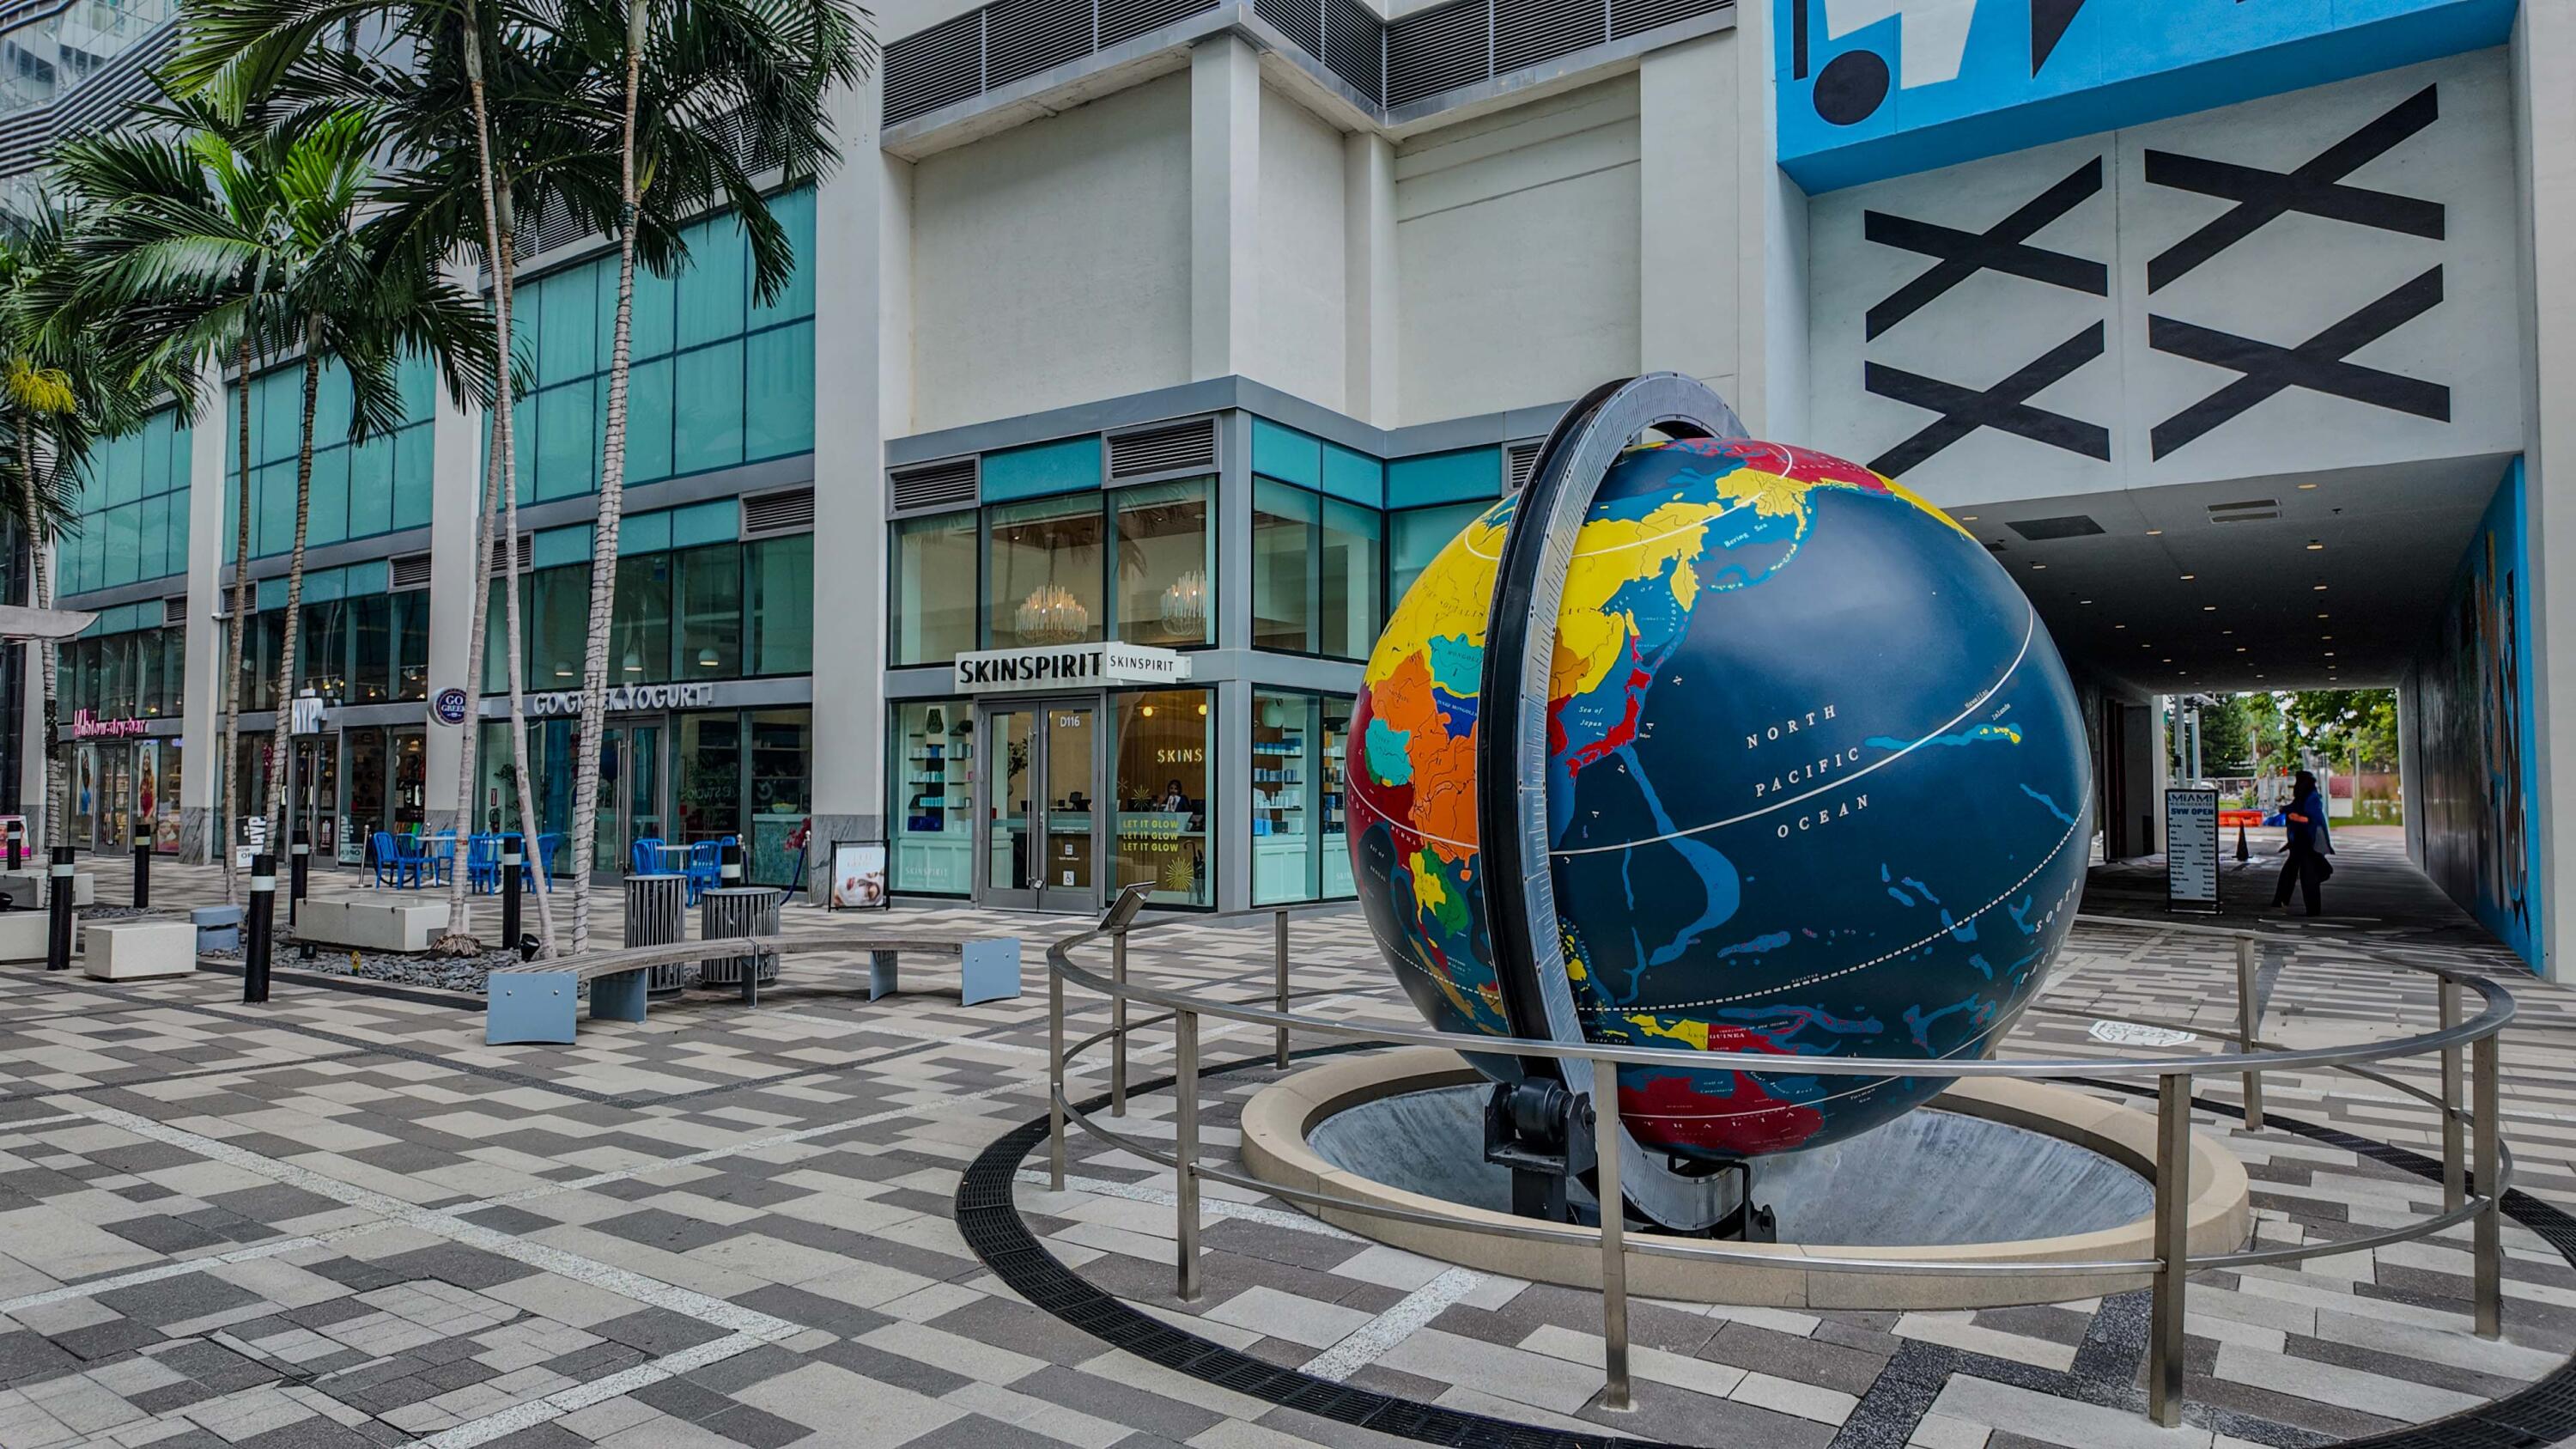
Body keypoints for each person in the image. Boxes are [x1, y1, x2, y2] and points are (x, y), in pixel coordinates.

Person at [2271, 770, 2334, 916]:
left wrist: (2294, 817)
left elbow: (2311, 819)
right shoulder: (2304, 797)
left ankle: (2310, 907)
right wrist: (2285, 810)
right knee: (2293, 870)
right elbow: (2293, 807)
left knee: (2306, 873)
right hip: (2300, 840)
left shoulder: (2312, 799)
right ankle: (2282, 899)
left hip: (2307, 841)